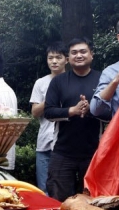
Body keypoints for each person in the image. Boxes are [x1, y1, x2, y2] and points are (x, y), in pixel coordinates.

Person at [43, 38, 103, 201]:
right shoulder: (59, 81)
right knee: (58, 202)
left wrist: (92, 109)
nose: (79, 55)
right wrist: (72, 111)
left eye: (83, 51)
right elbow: (48, 111)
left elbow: (112, 112)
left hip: (94, 153)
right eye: (74, 52)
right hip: (63, 151)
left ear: (91, 55)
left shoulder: (102, 79)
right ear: (68, 58)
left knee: (92, 202)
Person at [29, 43, 68, 191]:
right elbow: (34, 112)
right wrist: (50, 100)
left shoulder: (73, 80)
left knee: (62, 189)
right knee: (43, 189)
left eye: (58, 57)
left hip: (66, 143)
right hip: (44, 142)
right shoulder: (40, 83)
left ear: (67, 60)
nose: (54, 61)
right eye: (50, 58)